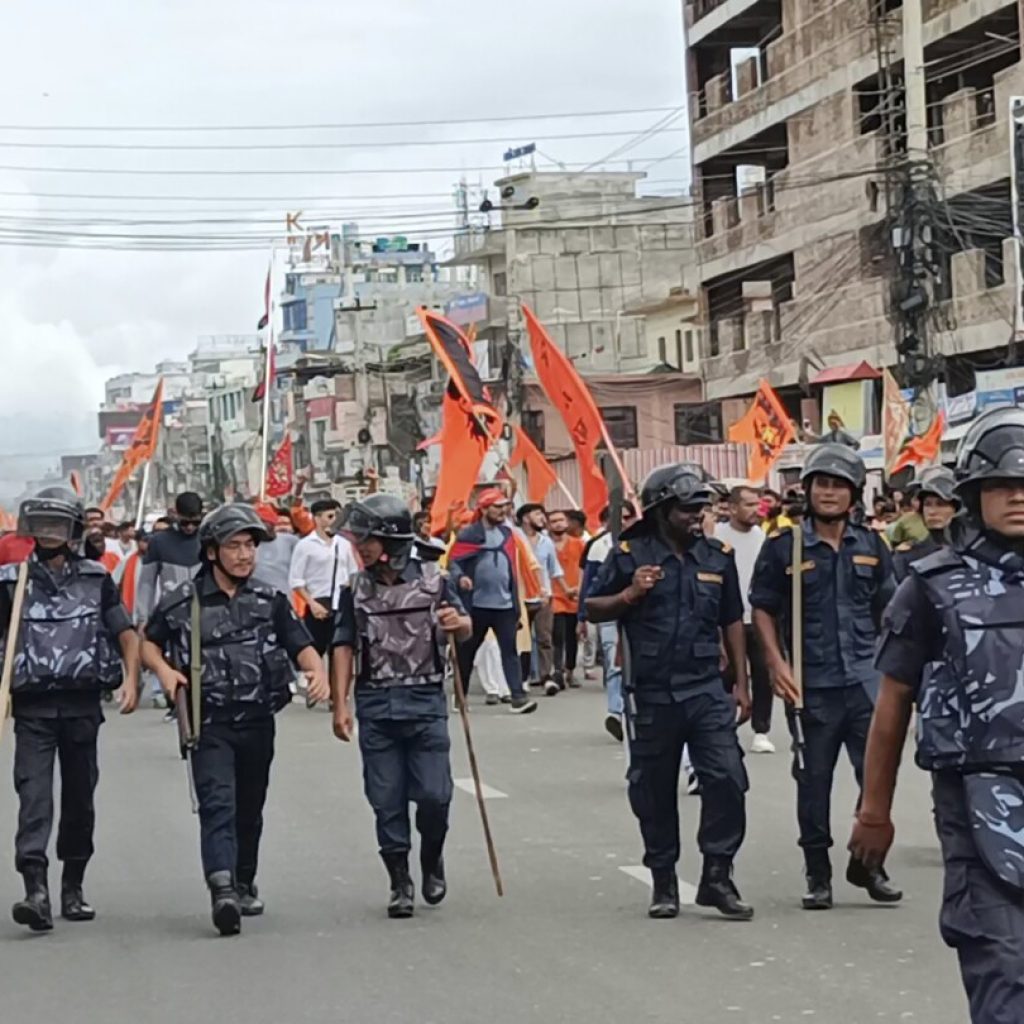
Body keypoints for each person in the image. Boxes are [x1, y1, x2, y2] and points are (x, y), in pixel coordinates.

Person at [850, 408, 1024, 1022]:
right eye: (1004, 486)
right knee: (1006, 971)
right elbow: (893, 698)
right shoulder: (932, 585)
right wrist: (875, 811)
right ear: (974, 494)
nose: (1019, 498)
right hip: (981, 799)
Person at [141, 504, 327, 936]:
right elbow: (148, 643)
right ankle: (222, 888)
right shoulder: (182, 602)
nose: (245, 555)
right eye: (234, 546)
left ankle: (243, 880)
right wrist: (166, 672)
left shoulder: (270, 599)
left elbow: (300, 644)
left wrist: (316, 672)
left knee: (249, 807)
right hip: (210, 724)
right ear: (211, 552)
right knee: (217, 804)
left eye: (250, 546)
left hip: (258, 720)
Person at [587, 464, 753, 921]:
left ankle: (718, 874)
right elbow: (592, 607)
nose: (696, 516)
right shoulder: (627, 554)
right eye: (686, 509)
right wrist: (629, 595)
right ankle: (663, 877)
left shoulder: (717, 556)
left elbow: (732, 621)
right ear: (662, 511)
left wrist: (741, 682)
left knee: (726, 779)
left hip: (704, 688)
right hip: (652, 692)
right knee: (653, 789)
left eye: (700, 508)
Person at [750, 443, 901, 911]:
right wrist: (777, 664)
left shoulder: (872, 545)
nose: (829, 493)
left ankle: (869, 864)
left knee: (875, 779)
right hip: (810, 686)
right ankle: (818, 873)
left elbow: (891, 611)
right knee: (813, 781)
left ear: (854, 494)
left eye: (838, 486)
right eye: (822, 484)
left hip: (864, 682)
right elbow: (763, 608)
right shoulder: (784, 546)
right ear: (808, 490)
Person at [0, 487, 139, 931]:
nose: (49, 533)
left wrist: (132, 678)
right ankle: (35, 891)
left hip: (81, 707)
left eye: (58, 525)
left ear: (74, 530)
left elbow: (125, 632)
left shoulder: (96, 578)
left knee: (80, 800)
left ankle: (73, 887)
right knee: (33, 800)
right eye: (42, 524)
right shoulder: (10, 581)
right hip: (32, 711)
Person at [331, 495, 471, 918]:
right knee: (385, 799)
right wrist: (341, 704)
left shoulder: (435, 577)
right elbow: (342, 644)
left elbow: (465, 627)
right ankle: (399, 880)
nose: (360, 546)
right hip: (376, 704)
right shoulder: (354, 587)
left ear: (389, 538)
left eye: (367, 538)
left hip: (426, 701)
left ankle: (432, 859)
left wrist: (457, 624)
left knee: (434, 795)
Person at [448, 490, 538, 715]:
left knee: (510, 651)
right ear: (484, 509)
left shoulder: (508, 534)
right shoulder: (469, 534)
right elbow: (454, 562)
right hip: (476, 605)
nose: (502, 511)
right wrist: (461, 578)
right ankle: (460, 696)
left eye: (504, 506)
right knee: (467, 652)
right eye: (496, 507)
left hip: (505, 605)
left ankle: (518, 697)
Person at [715, 486, 773, 754]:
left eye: (757, 504)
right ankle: (723, 725)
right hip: (727, 618)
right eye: (748, 504)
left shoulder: (762, 537)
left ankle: (761, 729)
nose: (755, 510)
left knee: (762, 673)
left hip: (757, 616)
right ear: (733, 508)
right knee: (727, 674)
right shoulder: (717, 536)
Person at [579, 501, 638, 741]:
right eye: (617, 518)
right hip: (609, 612)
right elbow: (589, 586)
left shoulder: (643, 544)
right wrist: (582, 617)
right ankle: (616, 711)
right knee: (614, 661)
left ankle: (632, 709)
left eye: (626, 517)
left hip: (639, 615)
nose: (622, 522)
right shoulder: (598, 546)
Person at [288, 499, 359, 657]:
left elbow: (353, 572)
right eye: (330, 516)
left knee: (341, 651)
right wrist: (311, 603)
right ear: (317, 518)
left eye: (337, 517)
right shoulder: (305, 545)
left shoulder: (344, 544)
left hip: (342, 604)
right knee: (315, 651)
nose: (334, 521)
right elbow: (296, 580)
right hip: (318, 604)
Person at [135, 491, 204, 625]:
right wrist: (142, 619)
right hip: (170, 616)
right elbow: (146, 583)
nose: (190, 527)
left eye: (195, 522)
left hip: (205, 615)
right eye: (185, 522)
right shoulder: (159, 541)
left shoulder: (209, 539)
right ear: (175, 514)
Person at [515, 503, 562, 696]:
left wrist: (565, 591)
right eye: (537, 514)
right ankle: (523, 678)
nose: (543, 518)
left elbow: (554, 569)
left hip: (543, 596)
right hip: (521, 596)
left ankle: (546, 678)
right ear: (526, 518)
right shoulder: (515, 538)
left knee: (545, 638)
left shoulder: (546, 542)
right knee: (522, 641)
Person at [892, 466, 958, 582]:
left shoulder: (972, 553)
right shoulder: (906, 556)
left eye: (941, 504)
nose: (932, 512)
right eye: (927, 504)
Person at [548, 510, 585, 690]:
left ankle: (570, 670)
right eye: (553, 521)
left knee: (573, 636)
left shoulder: (579, 544)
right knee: (558, 635)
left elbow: (584, 567)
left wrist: (579, 587)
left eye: (561, 520)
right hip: (555, 595)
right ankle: (558, 671)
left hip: (575, 595)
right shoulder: (546, 544)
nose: (558, 524)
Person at [253, 503, 299, 595]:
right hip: (256, 598)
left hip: (284, 598)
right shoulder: (249, 544)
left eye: (264, 522)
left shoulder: (291, 541)